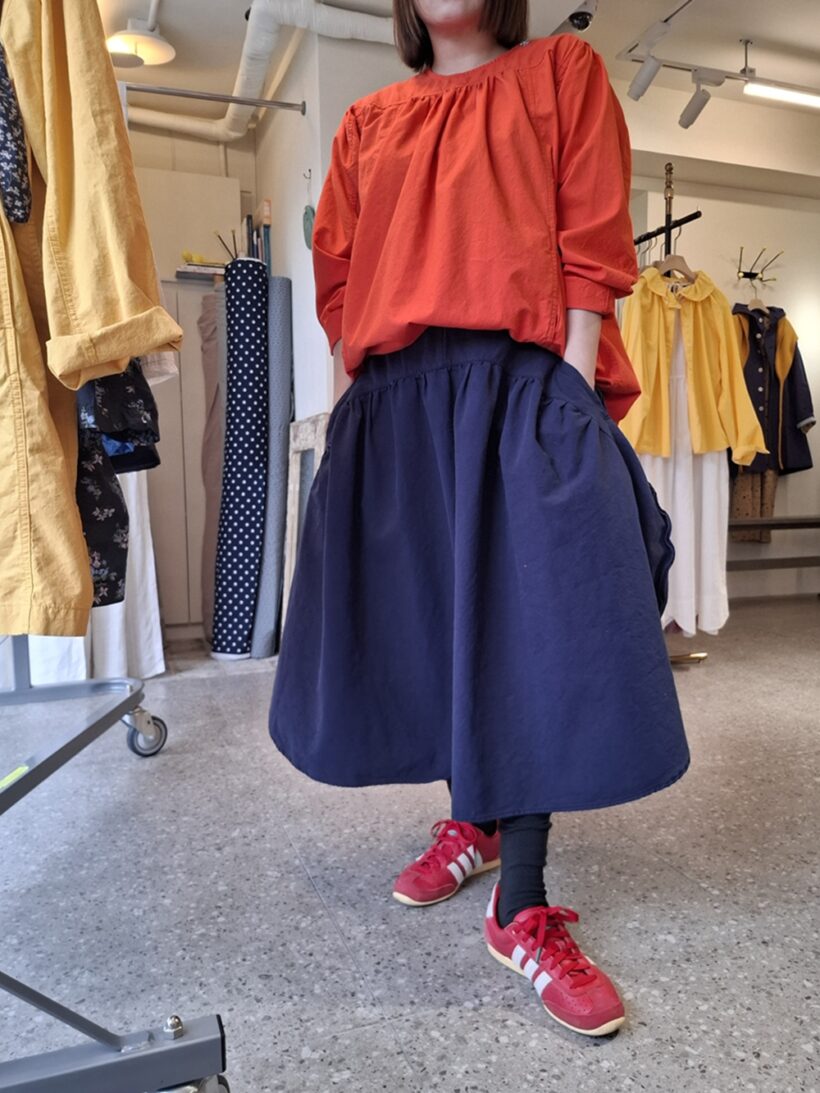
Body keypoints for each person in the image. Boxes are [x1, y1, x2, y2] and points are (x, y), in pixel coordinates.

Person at [269, 0, 689, 1037]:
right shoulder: (367, 122)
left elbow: (591, 237)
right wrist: (350, 416)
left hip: (520, 387)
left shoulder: (561, 73)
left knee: (532, 634)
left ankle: (521, 905)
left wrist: (569, 391)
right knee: (436, 621)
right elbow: (341, 283)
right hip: (399, 401)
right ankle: (476, 817)